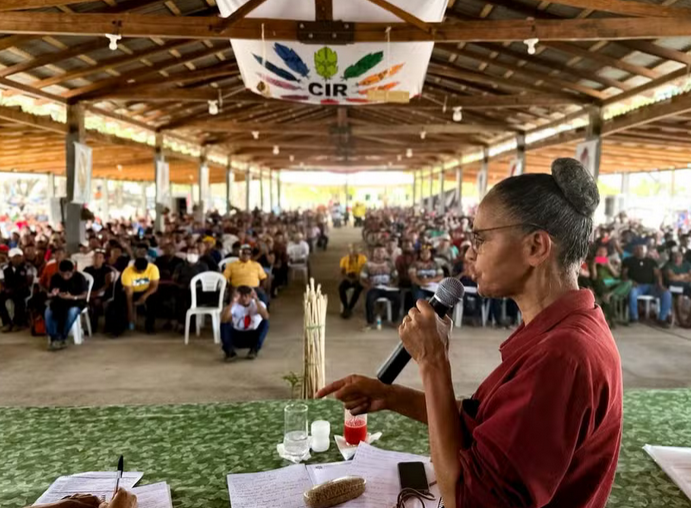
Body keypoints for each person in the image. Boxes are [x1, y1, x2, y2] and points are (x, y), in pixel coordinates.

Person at [319, 158, 623, 508]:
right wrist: (392, 397)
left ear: (536, 247)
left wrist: (433, 361)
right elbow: (488, 427)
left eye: (480, 239)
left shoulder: (563, 357)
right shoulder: (561, 330)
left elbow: (464, 500)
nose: (469, 253)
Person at [623, 244, 672, 327]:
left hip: (651, 286)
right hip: (637, 286)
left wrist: (660, 285)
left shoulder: (651, 261)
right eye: (637, 249)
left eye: (641, 249)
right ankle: (634, 317)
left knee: (667, 293)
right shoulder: (628, 260)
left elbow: (658, 274)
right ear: (634, 251)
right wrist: (631, 281)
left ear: (645, 251)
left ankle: (662, 318)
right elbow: (624, 274)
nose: (639, 250)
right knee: (632, 293)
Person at [109, 256, 160, 336]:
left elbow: (154, 286)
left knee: (154, 300)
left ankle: (150, 326)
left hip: (147, 291)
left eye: (142, 271)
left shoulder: (153, 269)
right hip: (132, 292)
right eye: (138, 270)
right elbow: (129, 294)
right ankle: (119, 328)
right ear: (134, 267)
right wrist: (130, 312)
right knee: (119, 303)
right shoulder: (127, 272)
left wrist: (144, 296)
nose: (140, 272)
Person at [45, 260, 87, 350]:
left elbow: (84, 295)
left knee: (71, 312)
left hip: (76, 301)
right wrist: (53, 293)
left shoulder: (79, 277)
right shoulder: (55, 277)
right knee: (48, 311)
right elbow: (49, 294)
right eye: (62, 274)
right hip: (59, 301)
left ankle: (62, 335)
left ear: (73, 271)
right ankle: (54, 336)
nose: (65, 277)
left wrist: (72, 297)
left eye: (68, 274)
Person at [220, 285, 270, 361]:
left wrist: (256, 299)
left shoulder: (257, 304)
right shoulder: (234, 305)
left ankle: (254, 350)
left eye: (246, 295)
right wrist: (233, 301)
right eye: (241, 296)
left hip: (252, 334)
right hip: (237, 335)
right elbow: (224, 320)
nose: (244, 298)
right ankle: (230, 352)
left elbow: (266, 316)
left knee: (266, 323)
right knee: (224, 324)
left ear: (251, 296)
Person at [360, 244, 400, 329]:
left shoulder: (390, 264)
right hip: (374, 288)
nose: (379, 254)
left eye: (382, 251)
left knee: (397, 298)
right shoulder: (368, 265)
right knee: (369, 299)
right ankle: (370, 322)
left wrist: (393, 284)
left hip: (388, 288)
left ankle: (394, 321)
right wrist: (368, 286)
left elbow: (396, 278)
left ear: (385, 253)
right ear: (373, 253)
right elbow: (362, 279)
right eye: (377, 251)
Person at [0, 248, 33, 332]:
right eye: (14, 257)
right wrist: (6, 289)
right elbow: (2, 281)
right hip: (9, 289)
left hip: (23, 290)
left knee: (19, 299)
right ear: (10, 258)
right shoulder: (4, 268)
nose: (17, 259)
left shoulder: (27, 267)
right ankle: (7, 322)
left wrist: (15, 289)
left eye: (19, 257)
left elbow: (29, 281)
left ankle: (18, 323)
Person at [84, 249, 115, 333]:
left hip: (103, 292)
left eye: (100, 257)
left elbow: (107, 284)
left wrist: (97, 293)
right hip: (89, 292)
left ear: (104, 260)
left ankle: (97, 327)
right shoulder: (87, 269)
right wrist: (90, 293)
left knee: (97, 302)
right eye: (95, 257)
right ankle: (91, 326)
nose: (97, 259)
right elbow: (84, 283)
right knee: (90, 302)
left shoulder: (107, 270)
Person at [338, 244, 367, 319]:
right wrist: (348, 279)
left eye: (356, 250)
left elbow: (364, 270)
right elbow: (342, 273)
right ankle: (345, 306)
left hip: (359, 277)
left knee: (358, 288)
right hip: (349, 277)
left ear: (359, 251)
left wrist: (358, 278)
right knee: (341, 288)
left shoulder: (363, 259)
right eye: (351, 250)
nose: (353, 252)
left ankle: (350, 307)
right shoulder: (344, 259)